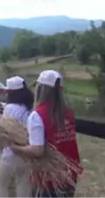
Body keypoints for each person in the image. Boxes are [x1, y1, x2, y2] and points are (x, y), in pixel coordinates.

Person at [10, 70, 83, 198]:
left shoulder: (37, 115)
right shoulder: (68, 112)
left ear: (41, 89)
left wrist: (15, 148)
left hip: (48, 179)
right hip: (69, 175)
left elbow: (37, 150)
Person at [0, 76, 34, 198]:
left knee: (1, 184)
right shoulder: (29, 109)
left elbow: (4, 128)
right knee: (23, 185)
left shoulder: (9, 108)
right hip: (26, 154)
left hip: (10, 153)